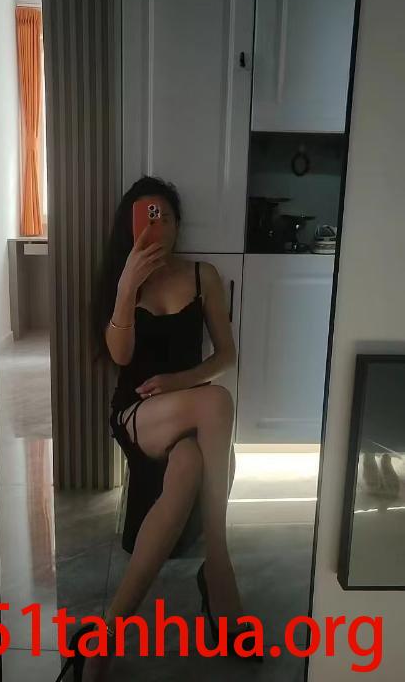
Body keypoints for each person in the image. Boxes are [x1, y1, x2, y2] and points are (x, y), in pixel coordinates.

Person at [66, 176, 262, 681]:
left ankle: (104, 638)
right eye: (147, 218)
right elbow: (120, 357)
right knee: (218, 402)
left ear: (177, 224)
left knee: (193, 456)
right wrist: (127, 287)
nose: (158, 227)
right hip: (138, 412)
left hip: (189, 408)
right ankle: (219, 571)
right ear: (130, 227)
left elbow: (226, 356)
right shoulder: (121, 279)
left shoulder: (203, 276)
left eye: (167, 217)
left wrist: (180, 380)